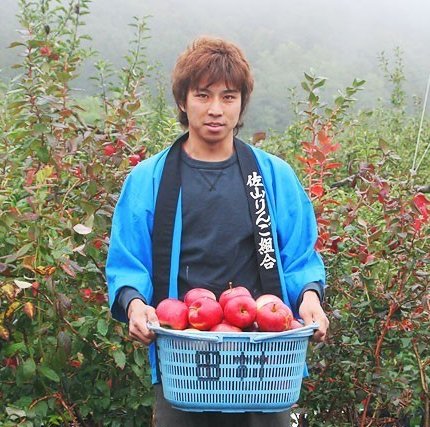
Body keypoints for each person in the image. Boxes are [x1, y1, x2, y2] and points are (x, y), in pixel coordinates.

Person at [106, 36, 329, 427]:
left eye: (228, 97)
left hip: (264, 356)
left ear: (242, 103)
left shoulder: (273, 176)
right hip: (183, 356)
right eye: (202, 95)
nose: (215, 110)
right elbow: (128, 260)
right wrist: (134, 305)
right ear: (182, 100)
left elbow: (300, 255)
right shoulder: (150, 180)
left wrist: (309, 296)